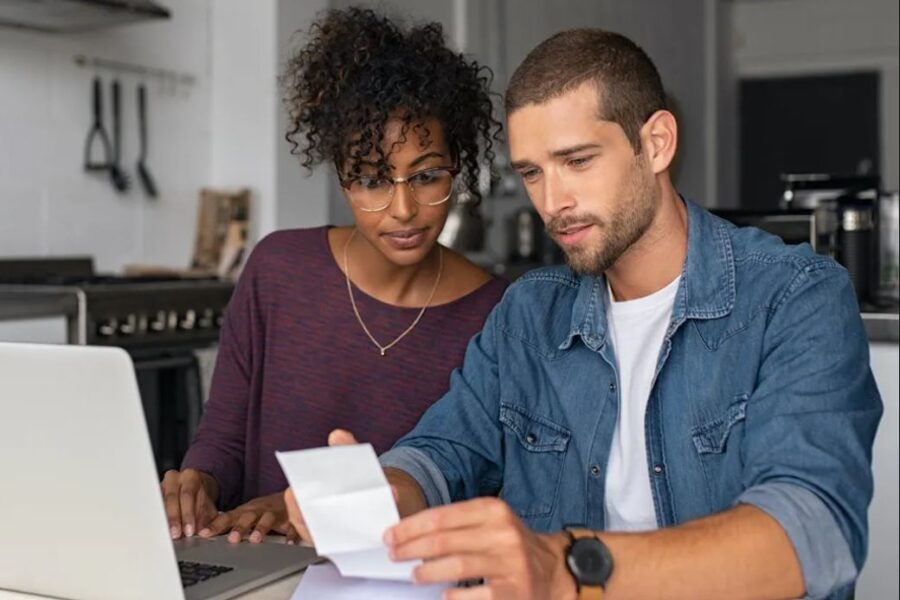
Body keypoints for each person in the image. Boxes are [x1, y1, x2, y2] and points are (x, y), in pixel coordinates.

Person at [286, 28, 882, 599]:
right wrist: (383, 494)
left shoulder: (796, 298)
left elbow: (812, 533)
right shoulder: (528, 312)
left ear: (656, 144)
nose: (552, 202)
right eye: (532, 172)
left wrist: (569, 570)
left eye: (577, 161)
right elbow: (445, 452)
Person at [162, 7, 506, 546]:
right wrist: (197, 482)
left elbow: (474, 487)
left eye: (427, 176)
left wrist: (303, 508)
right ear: (342, 179)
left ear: (457, 168)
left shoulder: (497, 314)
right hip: (258, 568)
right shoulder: (277, 270)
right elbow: (224, 439)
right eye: (371, 180)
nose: (402, 209)